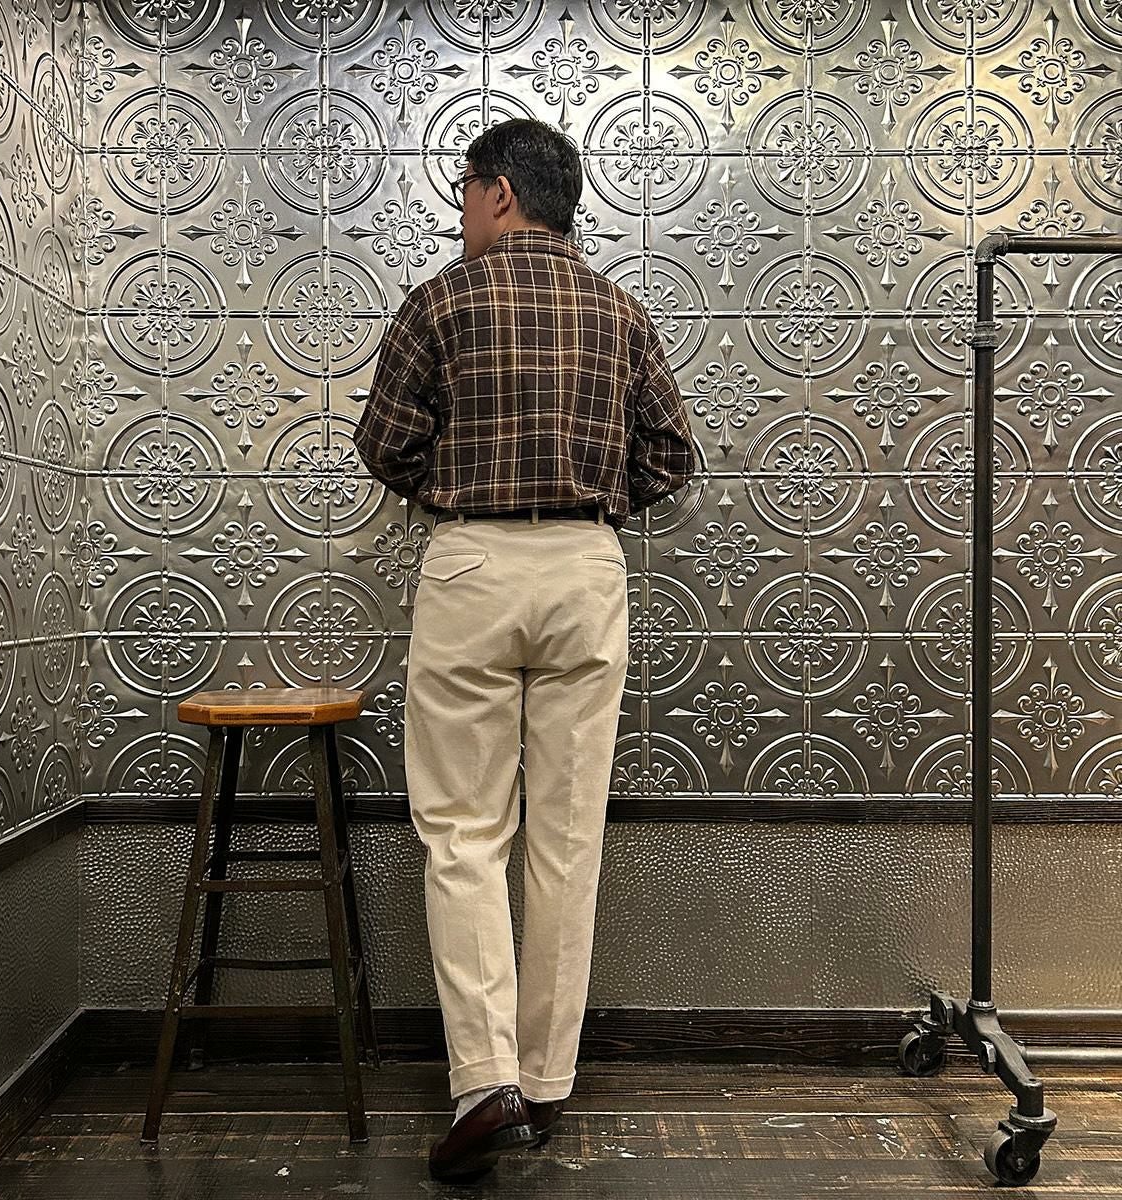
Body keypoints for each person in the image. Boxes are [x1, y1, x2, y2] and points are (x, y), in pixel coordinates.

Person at [353, 117, 694, 1183]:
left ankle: (485, 1084)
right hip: (587, 567)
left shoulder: (440, 301)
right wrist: (586, 499)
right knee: (567, 835)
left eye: (466, 188)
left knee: (463, 833)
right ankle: (545, 1084)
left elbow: (383, 444)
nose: (461, 208)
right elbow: (670, 455)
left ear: (500, 193)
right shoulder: (620, 310)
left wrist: (461, 489)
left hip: (473, 566)